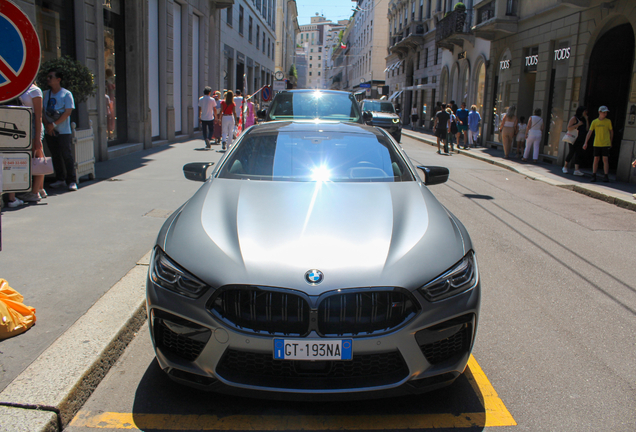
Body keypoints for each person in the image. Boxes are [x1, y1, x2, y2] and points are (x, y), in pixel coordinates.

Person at [42, 69, 77, 191]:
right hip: (49, 130)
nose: (48, 79)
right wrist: (47, 125)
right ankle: (60, 179)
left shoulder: (66, 94)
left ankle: (72, 180)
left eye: (50, 77)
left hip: (63, 131)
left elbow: (68, 112)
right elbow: (41, 111)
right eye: (47, 77)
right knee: (55, 155)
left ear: (58, 79)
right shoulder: (45, 94)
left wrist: (54, 124)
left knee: (66, 155)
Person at [19, 82, 46, 202]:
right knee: (33, 158)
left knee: (38, 158)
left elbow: (38, 116)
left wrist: (37, 138)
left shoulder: (35, 90)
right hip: (23, 125)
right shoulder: (20, 88)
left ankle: (35, 192)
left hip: (33, 126)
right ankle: (40, 188)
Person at [583, 105, 613, 182]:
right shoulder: (594, 122)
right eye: (604, 112)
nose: (605, 114)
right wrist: (585, 142)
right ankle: (594, 174)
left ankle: (606, 175)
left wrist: (610, 141)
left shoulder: (608, 121)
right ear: (599, 112)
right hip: (597, 143)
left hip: (605, 143)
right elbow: (590, 132)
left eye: (606, 113)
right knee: (596, 159)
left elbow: (611, 131)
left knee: (605, 159)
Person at [563, 106, 588, 176]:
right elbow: (568, 127)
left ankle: (576, 170)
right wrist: (578, 124)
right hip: (574, 138)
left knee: (578, 153)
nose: (585, 112)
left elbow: (587, 129)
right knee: (571, 152)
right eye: (584, 111)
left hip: (581, 138)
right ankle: (565, 166)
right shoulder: (574, 118)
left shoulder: (584, 119)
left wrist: (586, 119)